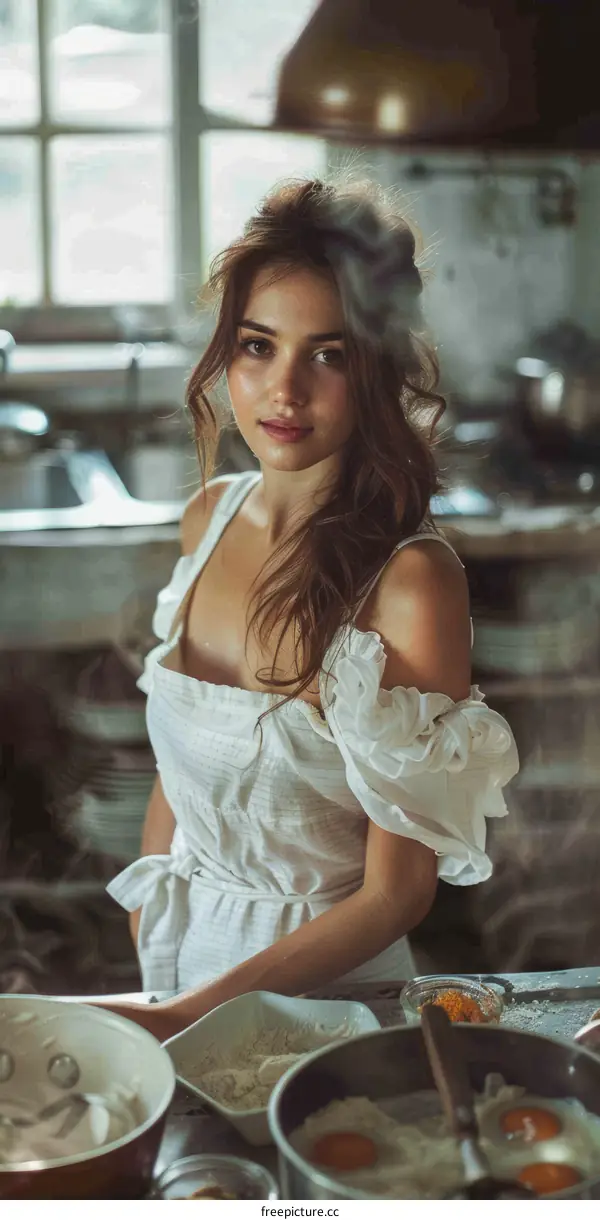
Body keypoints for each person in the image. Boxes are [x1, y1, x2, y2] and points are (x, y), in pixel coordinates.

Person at [103, 177, 518, 1040]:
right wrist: (153, 935)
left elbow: (396, 894)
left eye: (327, 355)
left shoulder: (408, 583)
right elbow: (176, 775)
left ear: (377, 369)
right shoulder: (207, 518)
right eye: (258, 345)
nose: (282, 391)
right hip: (175, 972)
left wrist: (192, 1013)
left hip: (323, 1013)